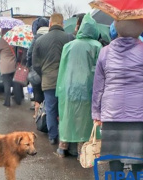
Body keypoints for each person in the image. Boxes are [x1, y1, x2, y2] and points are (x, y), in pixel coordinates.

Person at [92, 19, 143, 179]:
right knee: (138, 159)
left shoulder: (105, 52)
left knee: (113, 159)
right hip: (139, 115)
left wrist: (96, 113)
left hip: (111, 113)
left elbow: (98, 86)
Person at [55, 13, 102, 158]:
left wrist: (60, 89)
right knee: (84, 120)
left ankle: (63, 147)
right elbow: (99, 71)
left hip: (68, 88)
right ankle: (82, 151)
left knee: (67, 117)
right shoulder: (96, 46)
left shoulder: (68, 46)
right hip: (87, 89)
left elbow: (62, 69)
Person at [32, 13, 74, 145]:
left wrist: (43, 73)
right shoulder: (70, 38)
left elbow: (35, 64)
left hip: (48, 80)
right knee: (65, 109)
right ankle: (65, 136)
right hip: (66, 81)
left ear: (50, 24)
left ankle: (52, 136)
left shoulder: (40, 41)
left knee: (50, 109)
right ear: (63, 24)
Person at [27, 17, 49, 118]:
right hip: (50, 71)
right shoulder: (51, 36)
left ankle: (37, 114)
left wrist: (29, 66)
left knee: (37, 91)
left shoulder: (36, 38)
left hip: (37, 70)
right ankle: (47, 113)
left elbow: (29, 53)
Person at [0, 28, 18, 107]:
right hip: (13, 64)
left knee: (7, 83)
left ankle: (7, 102)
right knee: (14, 82)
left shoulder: (2, 40)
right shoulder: (13, 39)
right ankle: (18, 99)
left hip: (5, 65)